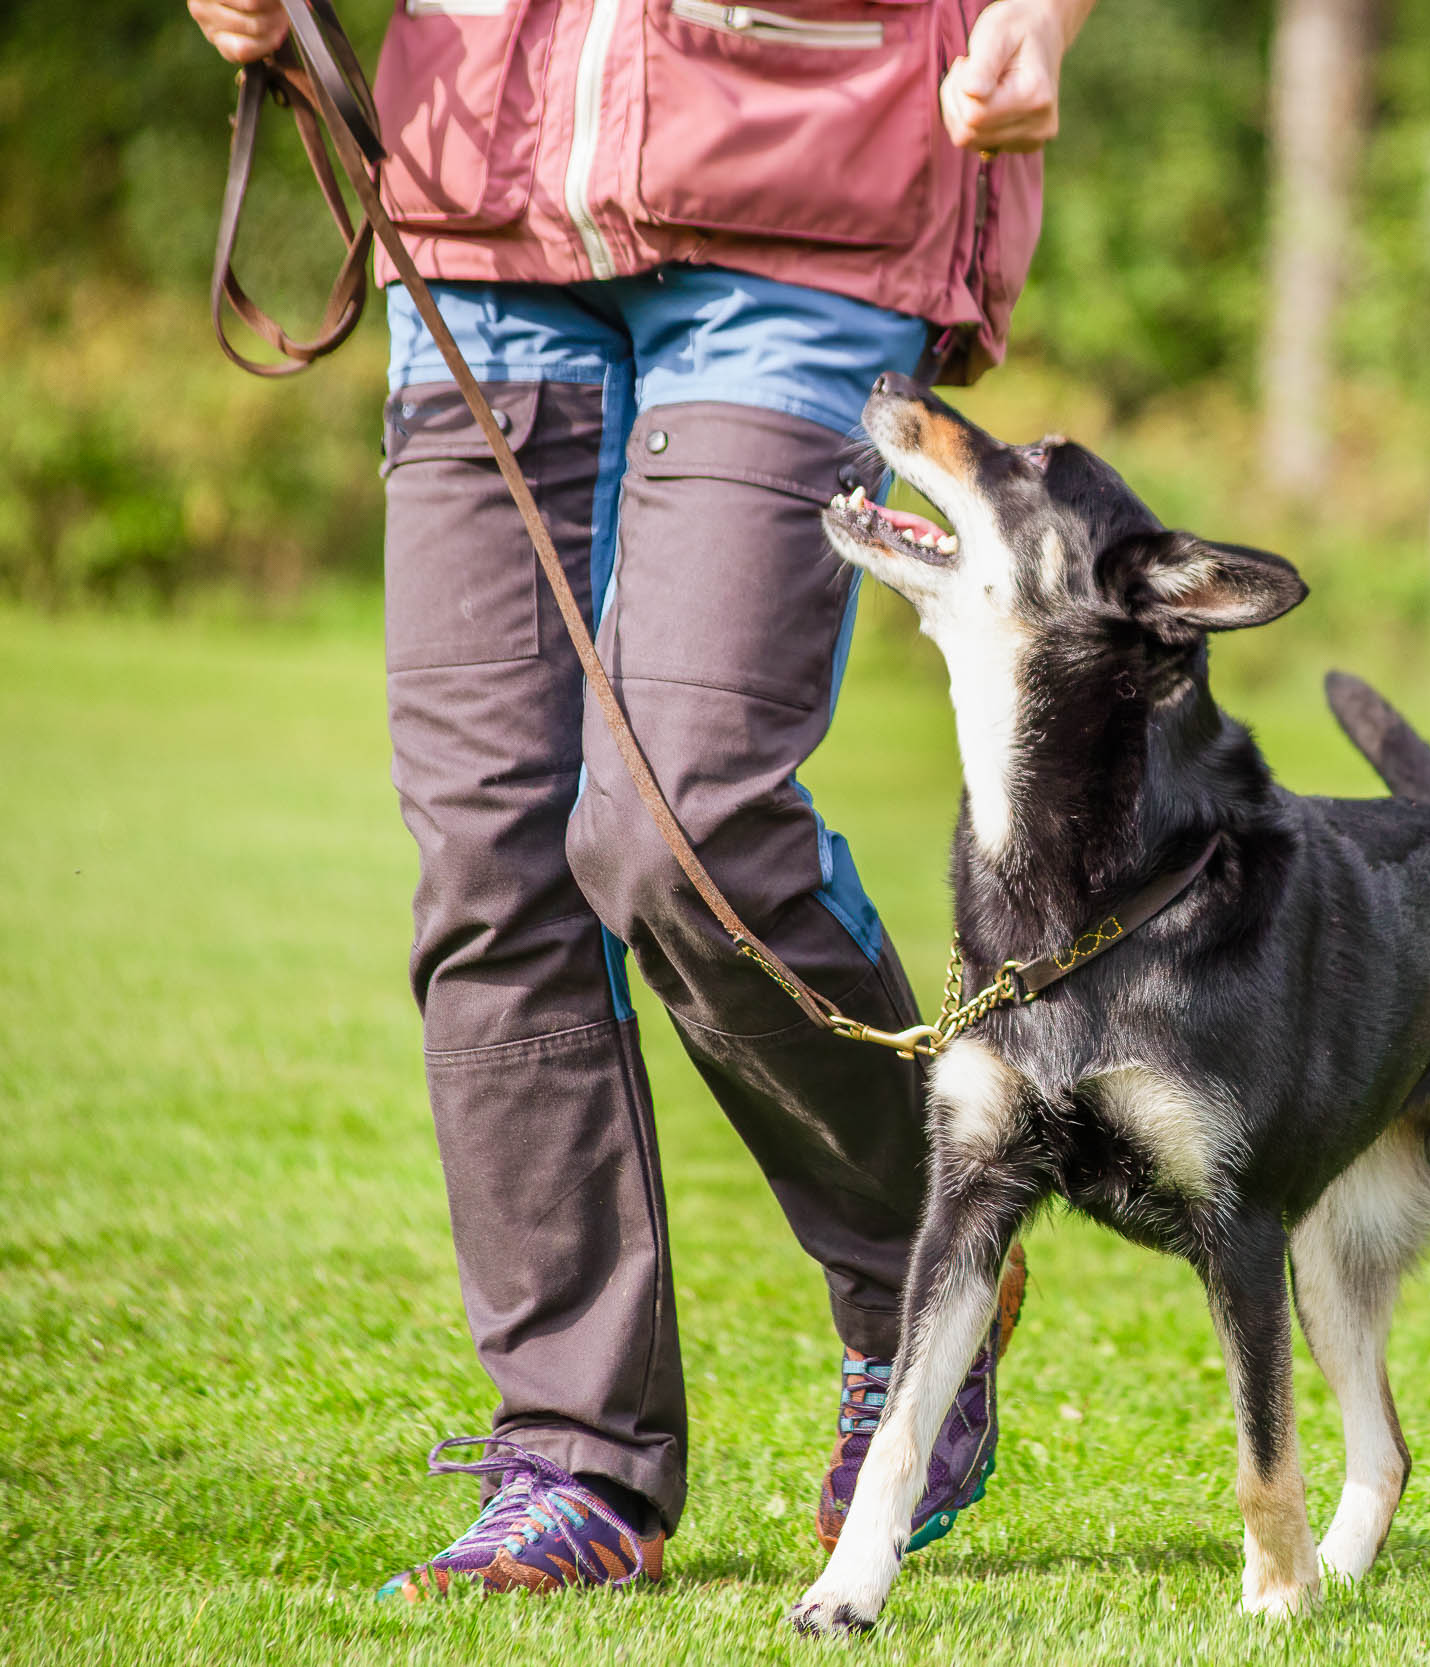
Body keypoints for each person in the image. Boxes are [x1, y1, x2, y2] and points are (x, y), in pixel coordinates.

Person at [186, 0, 1093, 1597]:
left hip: (804, 185)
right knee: (491, 855)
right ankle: (574, 1459)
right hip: (477, 197)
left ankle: (919, 1267)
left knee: (677, 818)